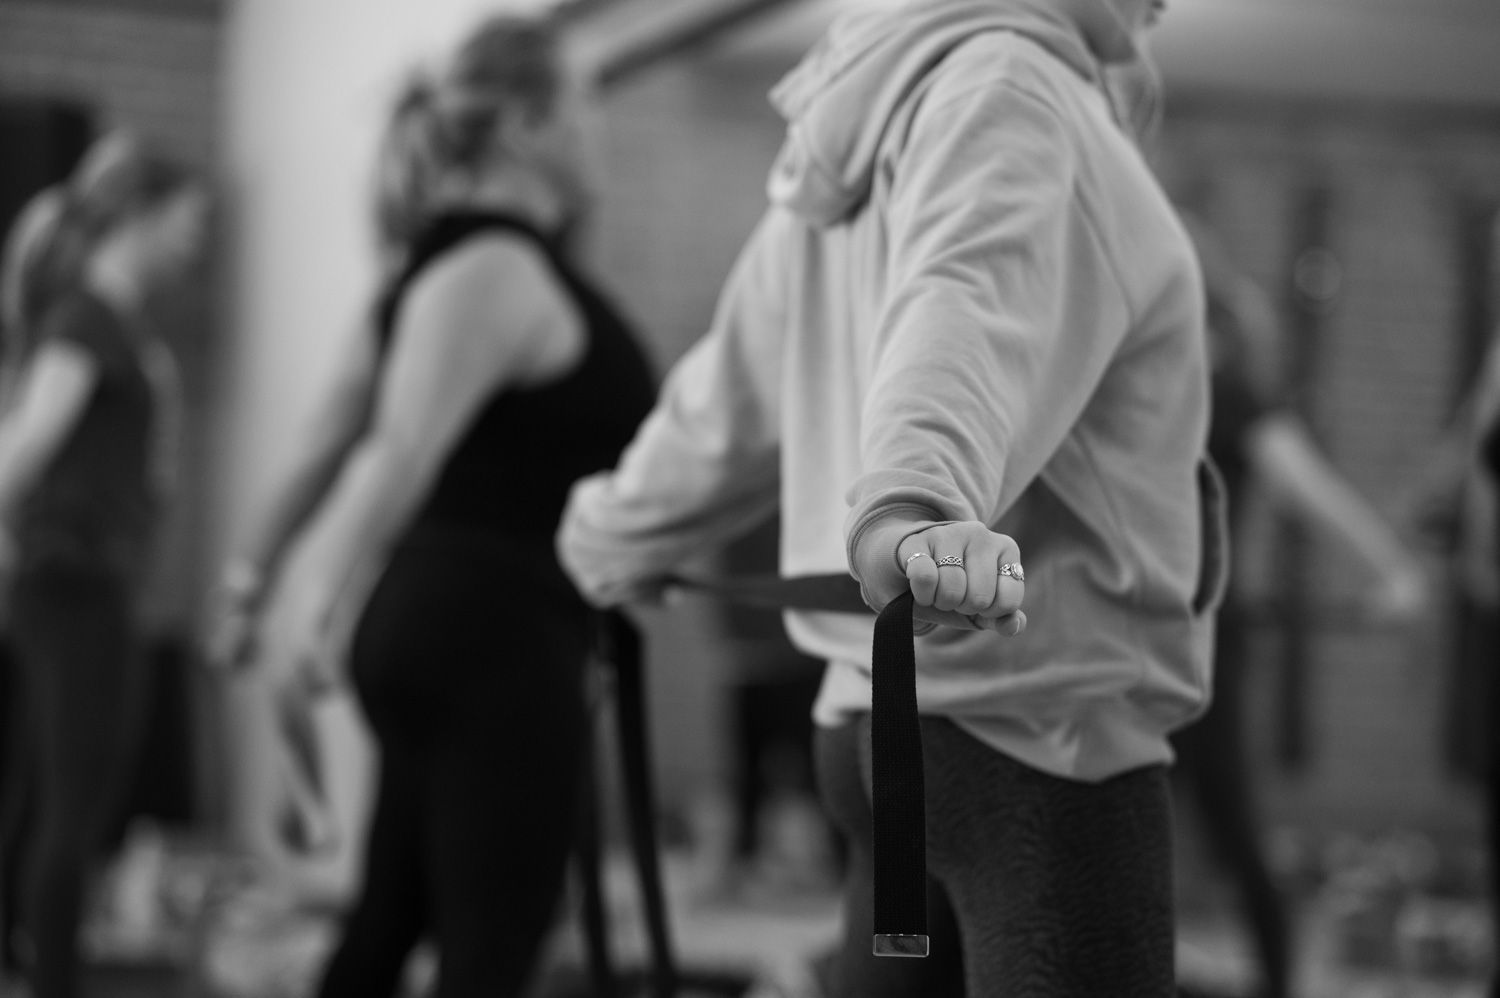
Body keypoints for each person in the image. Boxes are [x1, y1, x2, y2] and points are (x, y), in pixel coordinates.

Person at [558, 0, 1226, 994]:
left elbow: (728, 395)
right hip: (1039, 747)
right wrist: (916, 501)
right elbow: (962, 303)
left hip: (884, 735)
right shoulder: (1010, 89)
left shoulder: (856, 130)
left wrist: (612, 528)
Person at [205, 14, 656, 998]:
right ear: (530, 126)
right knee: (489, 955)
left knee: (385, 926)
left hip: (443, 629)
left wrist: (248, 583)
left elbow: (327, 443)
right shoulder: (495, 268)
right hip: (491, 639)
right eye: (586, 105)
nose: (598, 129)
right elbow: (392, 450)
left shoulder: (419, 275)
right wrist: (304, 606)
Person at [1175, 216, 1428, 998]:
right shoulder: (1147, 386)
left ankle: (1279, 981)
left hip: (1200, 641)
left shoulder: (1225, 391)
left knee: (1229, 826)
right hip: (1136, 635)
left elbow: (1309, 488)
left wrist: (1392, 569)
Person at [0, 132, 204, 998]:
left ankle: (20, 955)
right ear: (144, 217)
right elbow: (24, 447)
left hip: (80, 584)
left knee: (44, 785)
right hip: (74, 588)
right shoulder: (87, 317)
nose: (196, 242)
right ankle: (51, 982)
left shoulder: (115, 322)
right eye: (191, 222)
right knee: (75, 805)